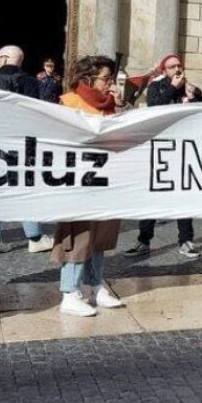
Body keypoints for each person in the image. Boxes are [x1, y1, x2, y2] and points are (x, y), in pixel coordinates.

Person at [52, 56, 124, 316]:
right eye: (106, 79)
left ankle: (95, 284)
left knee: (100, 235)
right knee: (77, 236)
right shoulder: (68, 103)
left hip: (104, 180)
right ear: (88, 80)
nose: (110, 84)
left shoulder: (109, 105)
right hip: (78, 181)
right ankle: (69, 291)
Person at [124, 53, 202, 260]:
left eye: (179, 66)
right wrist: (172, 89)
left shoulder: (192, 88)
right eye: (172, 67)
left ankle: (186, 241)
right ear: (164, 71)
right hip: (160, 149)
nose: (177, 69)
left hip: (184, 149)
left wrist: (196, 96)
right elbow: (155, 109)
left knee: (184, 197)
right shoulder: (156, 88)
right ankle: (143, 240)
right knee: (153, 197)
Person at [0, 45, 51, 255]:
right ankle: (34, 238)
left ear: (3, 59)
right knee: (25, 188)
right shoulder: (30, 82)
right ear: (20, 61)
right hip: (21, 142)